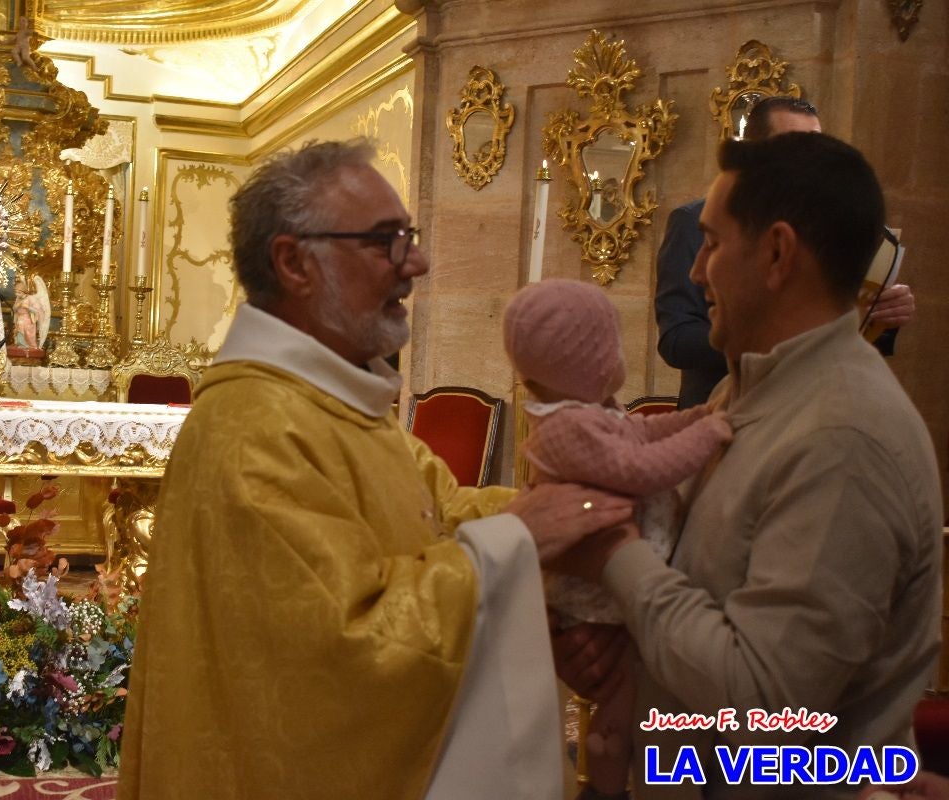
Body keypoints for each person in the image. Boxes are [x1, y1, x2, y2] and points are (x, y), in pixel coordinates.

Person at [116, 138, 635, 800]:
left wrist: (578, 520)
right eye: (387, 240)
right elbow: (341, 650)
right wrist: (523, 541)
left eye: (408, 236)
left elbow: (442, 514)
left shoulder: (333, 404)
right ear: (294, 262)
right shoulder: (254, 429)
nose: (416, 261)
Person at [557, 132, 943, 799]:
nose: (697, 272)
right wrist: (622, 647)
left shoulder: (842, 436)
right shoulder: (748, 389)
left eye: (711, 242)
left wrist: (616, 556)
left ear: (776, 253)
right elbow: (706, 592)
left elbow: (764, 704)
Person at [503, 278, 733, 799]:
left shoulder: (588, 413)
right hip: (594, 589)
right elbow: (638, 467)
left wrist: (696, 415)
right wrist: (706, 435)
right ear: (590, 361)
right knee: (620, 693)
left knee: (626, 694)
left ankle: (609, 776)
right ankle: (603, 786)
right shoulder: (566, 428)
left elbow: (641, 434)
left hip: (613, 578)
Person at [654, 96, 916, 408]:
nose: (809, 161)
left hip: (812, 403)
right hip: (719, 409)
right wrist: (783, 340)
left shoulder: (827, 226)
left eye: (814, 146)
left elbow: (837, 321)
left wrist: (881, 315)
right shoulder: (694, 221)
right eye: (794, 147)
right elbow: (677, 341)